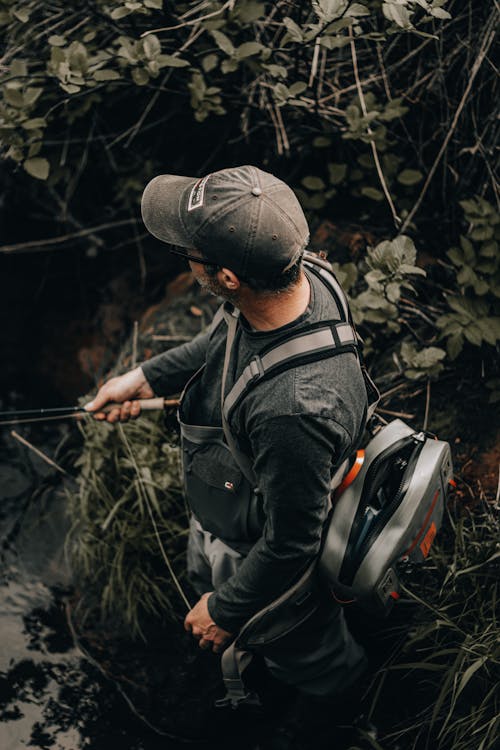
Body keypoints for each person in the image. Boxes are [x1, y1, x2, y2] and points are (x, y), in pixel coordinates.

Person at [85, 165, 369, 727]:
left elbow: (292, 543)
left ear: (228, 277)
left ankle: (341, 720)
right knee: (211, 578)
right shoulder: (294, 275)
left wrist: (227, 608)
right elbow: (222, 338)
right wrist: (144, 377)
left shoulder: (295, 412)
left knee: (314, 663)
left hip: (268, 556)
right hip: (231, 519)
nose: (184, 259)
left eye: (189, 252)